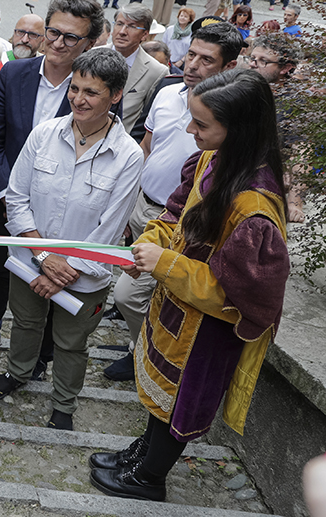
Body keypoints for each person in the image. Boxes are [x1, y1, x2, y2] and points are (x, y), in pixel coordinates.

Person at [90, 69, 289, 502]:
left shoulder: (254, 208)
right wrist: (148, 245)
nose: (189, 130)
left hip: (206, 333)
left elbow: (242, 298)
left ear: (238, 130)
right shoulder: (209, 160)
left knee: (179, 403)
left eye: (201, 124)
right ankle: (144, 455)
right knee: (159, 398)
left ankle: (150, 478)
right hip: (175, 310)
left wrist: (166, 264)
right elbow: (173, 215)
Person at [0, 50, 143, 431]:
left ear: (115, 96)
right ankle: (18, 373)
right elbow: (16, 197)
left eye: (92, 92)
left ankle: (63, 404)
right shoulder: (44, 134)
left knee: (72, 343)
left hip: (83, 275)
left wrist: (60, 270)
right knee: (25, 322)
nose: (79, 99)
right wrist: (42, 257)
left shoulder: (128, 155)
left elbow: (110, 226)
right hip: (30, 262)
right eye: (75, 88)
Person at [0, 0, 105, 373]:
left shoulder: (94, 89)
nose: (57, 43)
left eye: (70, 38)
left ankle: (41, 351)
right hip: (4, 199)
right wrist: (10, 194)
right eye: (53, 32)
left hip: (61, 208)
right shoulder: (14, 73)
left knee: (52, 277)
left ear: (89, 43)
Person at [105, 19, 243, 380]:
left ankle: (148, 356)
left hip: (185, 225)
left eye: (206, 60)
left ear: (229, 67)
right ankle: (142, 345)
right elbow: (147, 146)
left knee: (128, 294)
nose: (192, 65)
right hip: (144, 208)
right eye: (191, 54)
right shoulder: (166, 92)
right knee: (139, 292)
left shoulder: (233, 119)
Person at [106, 5, 167, 133]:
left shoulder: (156, 71)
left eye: (132, 26)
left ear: (145, 34)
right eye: (119, 24)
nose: (122, 31)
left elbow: (147, 119)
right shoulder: (90, 55)